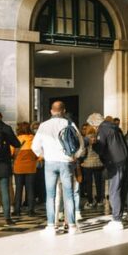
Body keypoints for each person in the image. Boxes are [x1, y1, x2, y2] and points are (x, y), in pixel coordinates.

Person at [32, 101, 85, 236]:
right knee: (69, 194)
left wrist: (44, 156)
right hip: (66, 162)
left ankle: (51, 227)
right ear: (64, 111)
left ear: (51, 111)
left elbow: (35, 147)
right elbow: (80, 144)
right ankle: (72, 226)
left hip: (50, 163)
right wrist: (75, 156)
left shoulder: (43, 125)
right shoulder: (69, 124)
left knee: (50, 195)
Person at [91, 112, 128, 231]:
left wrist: (94, 145)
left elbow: (101, 148)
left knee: (114, 191)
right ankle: (119, 217)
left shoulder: (103, 129)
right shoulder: (116, 128)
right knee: (121, 191)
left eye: (93, 126)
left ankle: (117, 220)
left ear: (95, 123)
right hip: (124, 161)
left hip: (115, 163)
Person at [13, 122, 38, 216]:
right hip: (31, 167)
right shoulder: (34, 139)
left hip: (18, 167)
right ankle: (31, 210)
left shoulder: (16, 139)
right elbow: (39, 153)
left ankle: (17, 210)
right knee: (30, 189)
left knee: (19, 189)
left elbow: (11, 152)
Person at [80, 124, 104, 207]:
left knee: (88, 183)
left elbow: (83, 153)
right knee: (98, 183)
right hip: (98, 164)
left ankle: (90, 201)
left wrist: (82, 159)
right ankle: (99, 200)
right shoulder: (98, 139)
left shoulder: (85, 140)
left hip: (87, 164)